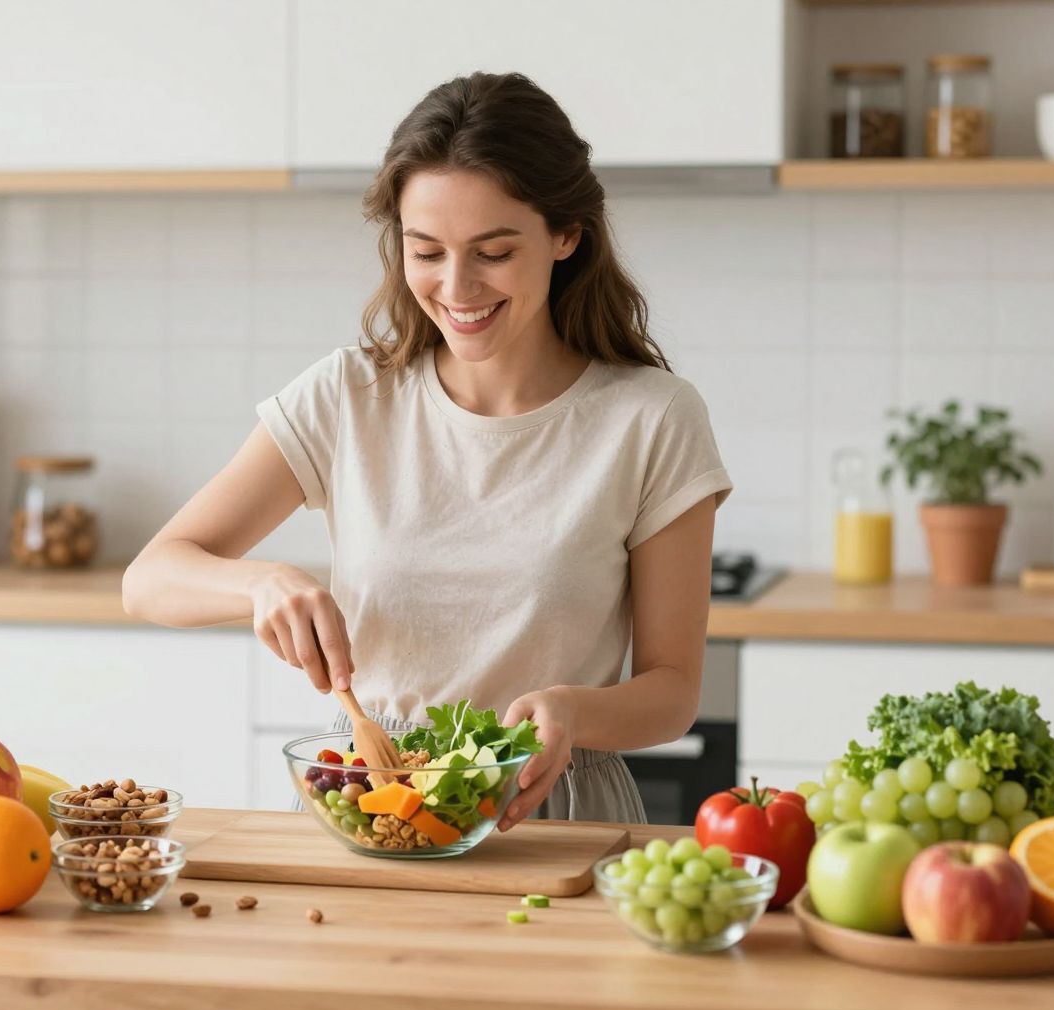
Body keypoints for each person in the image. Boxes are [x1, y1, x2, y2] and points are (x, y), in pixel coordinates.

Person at [122, 71, 731, 830]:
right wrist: (260, 585)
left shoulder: (652, 419)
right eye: (426, 251)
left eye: (494, 251)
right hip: (368, 807)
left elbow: (672, 691)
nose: (456, 286)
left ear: (566, 235)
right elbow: (149, 579)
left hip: (551, 817)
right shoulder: (347, 396)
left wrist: (573, 712)